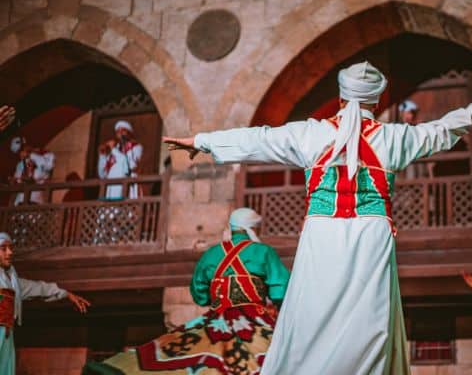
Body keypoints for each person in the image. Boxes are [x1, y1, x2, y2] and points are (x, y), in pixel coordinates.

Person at [163, 61, 472, 375]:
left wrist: (202, 142)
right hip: (371, 233)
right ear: (375, 100)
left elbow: (259, 139)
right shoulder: (394, 137)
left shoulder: (311, 135)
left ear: (341, 98)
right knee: (368, 318)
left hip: (322, 231)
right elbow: (439, 133)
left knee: (312, 310)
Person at [83, 207, 290, 375]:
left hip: (216, 321)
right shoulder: (263, 252)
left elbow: (199, 295)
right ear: (252, 228)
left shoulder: (211, 254)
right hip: (255, 320)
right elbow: (282, 292)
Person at [0, 232, 90, 374]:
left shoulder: (12, 280)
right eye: (3, 248)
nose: (10, 252)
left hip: (6, 336)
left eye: (11, 248)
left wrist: (66, 294)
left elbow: (38, 288)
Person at [98, 120, 143, 200]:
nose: (120, 133)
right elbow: (103, 175)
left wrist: (113, 149)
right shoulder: (114, 151)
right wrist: (102, 156)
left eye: (123, 130)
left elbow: (130, 166)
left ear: (129, 133)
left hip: (127, 187)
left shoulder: (136, 147)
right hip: (112, 189)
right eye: (118, 131)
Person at [10, 136, 55, 205]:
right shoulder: (20, 164)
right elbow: (17, 180)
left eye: (22, 149)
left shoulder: (46, 156)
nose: (21, 153)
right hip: (20, 203)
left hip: (35, 202)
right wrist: (15, 181)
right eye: (19, 152)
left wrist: (30, 155)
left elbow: (48, 166)